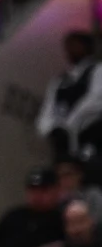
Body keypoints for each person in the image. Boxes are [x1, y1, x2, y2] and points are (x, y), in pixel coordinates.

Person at [38, 31, 102, 162]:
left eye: (75, 44)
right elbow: (47, 110)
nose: (70, 49)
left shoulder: (98, 70)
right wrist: (51, 129)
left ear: (86, 47)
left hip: (91, 138)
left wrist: (70, 123)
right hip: (64, 147)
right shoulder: (59, 81)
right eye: (68, 45)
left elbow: (95, 101)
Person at [0, 168, 66, 247]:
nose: (37, 196)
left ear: (57, 191)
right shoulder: (13, 217)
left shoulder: (64, 219)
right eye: (33, 190)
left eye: (43, 190)